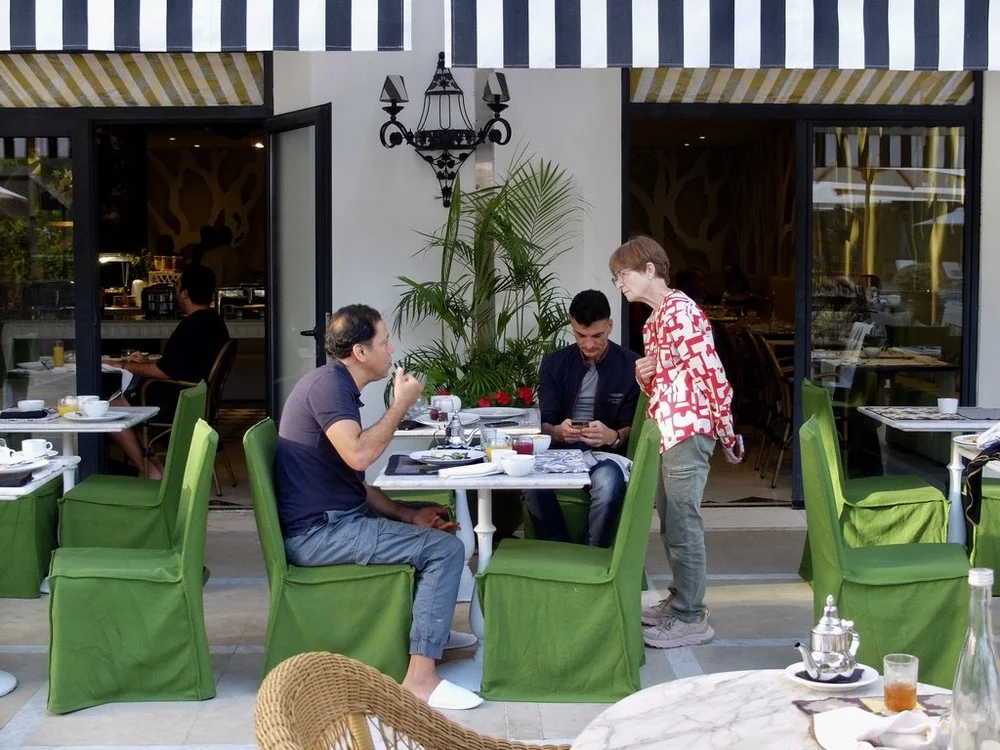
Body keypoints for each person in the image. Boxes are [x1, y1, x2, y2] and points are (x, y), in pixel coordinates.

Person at [273, 304, 482, 711]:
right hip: (319, 533)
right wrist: (400, 404)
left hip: (334, 519)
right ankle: (420, 679)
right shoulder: (329, 388)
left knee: (430, 526)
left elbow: (355, 482)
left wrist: (407, 514)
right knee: (445, 550)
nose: (392, 350)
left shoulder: (335, 385)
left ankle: (428, 632)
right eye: (384, 342)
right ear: (360, 352)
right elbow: (358, 456)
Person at [609, 236, 744, 649]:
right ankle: (682, 601)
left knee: (683, 522)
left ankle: (691, 617)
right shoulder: (656, 319)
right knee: (672, 521)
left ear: (650, 269)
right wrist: (645, 373)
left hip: (687, 428)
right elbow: (664, 381)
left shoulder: (680, 312)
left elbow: (711, 374)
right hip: (671, 427)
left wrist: (725, 431)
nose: (620, 284)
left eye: (623, 275)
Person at [525, 290, 640, 547]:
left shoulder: (631, 366)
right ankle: (561, 548)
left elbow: (634, 427)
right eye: (581, 335)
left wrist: (613, 436)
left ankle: (592, 552)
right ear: (572, 327)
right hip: (560, 451)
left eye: (597, 336)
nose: (589, 345)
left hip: (607, 454)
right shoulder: (554, 363)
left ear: (610, 326)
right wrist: (558, 431)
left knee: (608, 485)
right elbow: (546, 420)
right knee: (527, 479)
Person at [105, 264, 230, 479]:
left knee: (110, 408)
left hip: (179, 398)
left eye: (177, 285)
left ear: (185, 293)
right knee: (125, 403)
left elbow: (162, 372)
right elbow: (182, 362)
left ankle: (148, 469)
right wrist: (144, 362)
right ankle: (151, 462)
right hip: (198, 396)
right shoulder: (214, 321)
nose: (175, 290)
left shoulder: (191, 326)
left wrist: (121, 365)